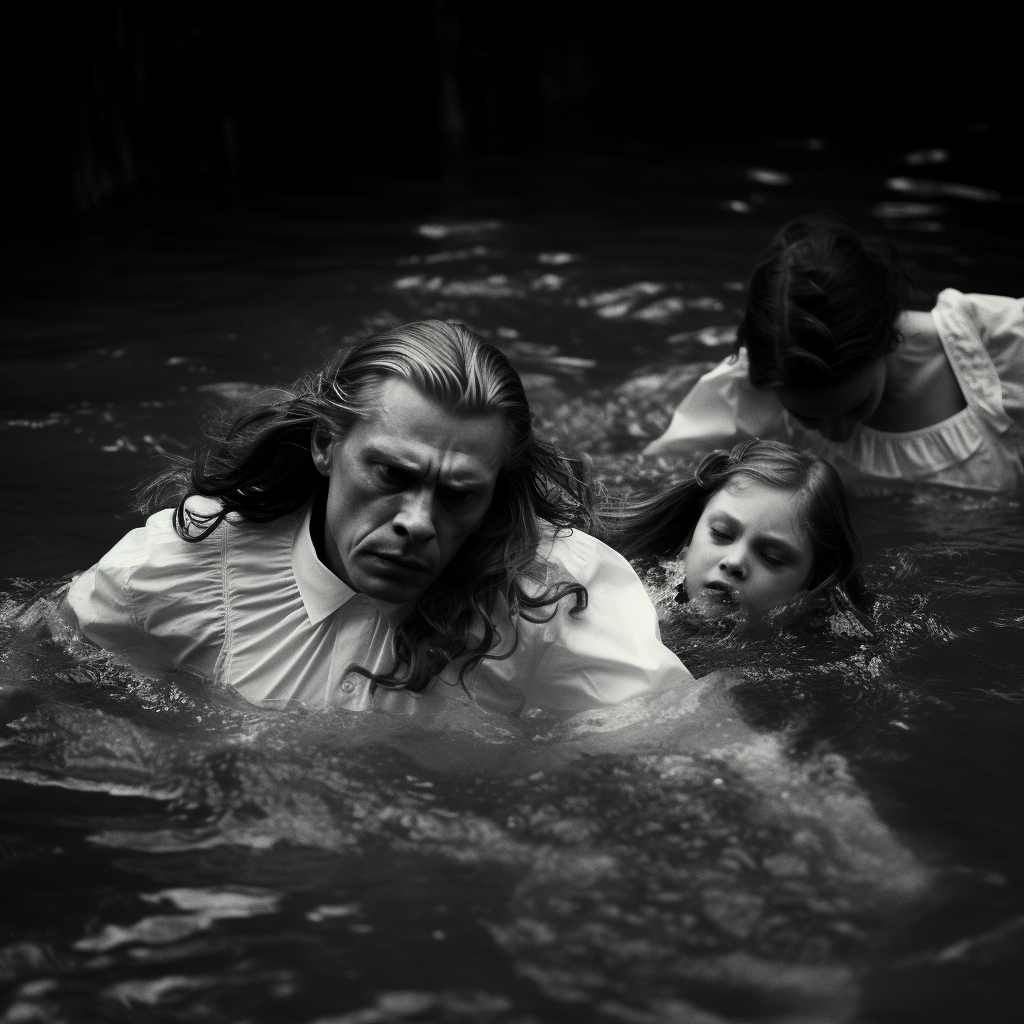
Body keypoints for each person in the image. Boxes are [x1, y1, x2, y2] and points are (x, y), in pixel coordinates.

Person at [63, 320, 691, 716]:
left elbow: (686, 749)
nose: (418, 522)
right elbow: (47, 672)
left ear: (493, 495)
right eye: (392, 475)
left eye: (458, 494)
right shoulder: (180, 564)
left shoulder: (554, 595)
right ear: (325, 445)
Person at [644, 215, 1024, 495]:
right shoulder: (755, 389)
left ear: (886, 337)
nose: (836, 432)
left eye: (856, 405)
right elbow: (654, 476)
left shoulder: (1004, 349)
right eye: (808, 417)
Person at [602, 440, 869, 621]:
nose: (734, 561)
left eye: (772, 558)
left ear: (814, 583)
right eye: (721, 534)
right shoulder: (616, 594)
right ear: (691, 534)